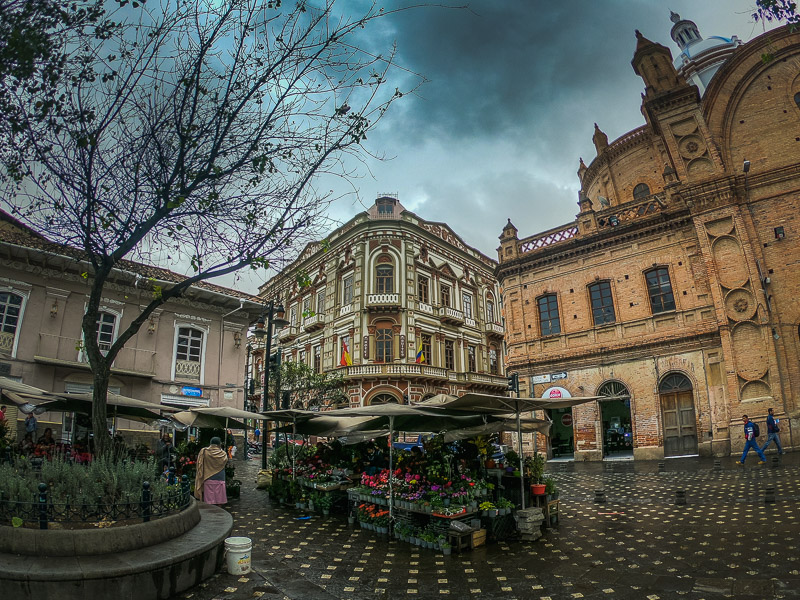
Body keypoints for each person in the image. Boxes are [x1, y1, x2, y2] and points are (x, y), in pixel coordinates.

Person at [194, 437, 228, 504]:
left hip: (207, 477)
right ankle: (220, 512)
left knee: (209, 500)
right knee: (220, 499)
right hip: (220, 477)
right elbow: (225, 462)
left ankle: (210, 512)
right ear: (219, 444)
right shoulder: (223, 454)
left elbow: (199, 464)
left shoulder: (204, 452)